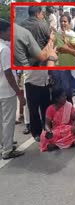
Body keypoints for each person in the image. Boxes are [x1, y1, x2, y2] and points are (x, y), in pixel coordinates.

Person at [0, 19, 25, 160]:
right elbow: (9, 73)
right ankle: (7, 150)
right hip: (7, 91)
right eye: (9, 30)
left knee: (0, 121)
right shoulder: (4, 49)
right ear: (2, 31)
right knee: (8, 121)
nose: (10, 33)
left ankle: (3, 145)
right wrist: (18, 92)